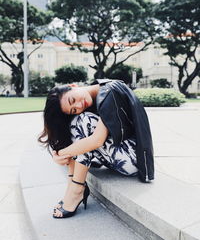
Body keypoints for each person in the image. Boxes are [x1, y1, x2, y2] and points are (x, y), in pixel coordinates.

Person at [38, 79, 154, 219]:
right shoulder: (95, 96)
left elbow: (97, 140)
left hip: (133, 158)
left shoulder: (109, 93)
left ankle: (77, 189)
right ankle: (71, 185)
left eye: (73, 99)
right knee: (75, 121)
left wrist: (61, 154)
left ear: (72, 86)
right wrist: (60, 153)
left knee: (83, 120)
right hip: (117, 154)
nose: (79, 105)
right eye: (73, 108)